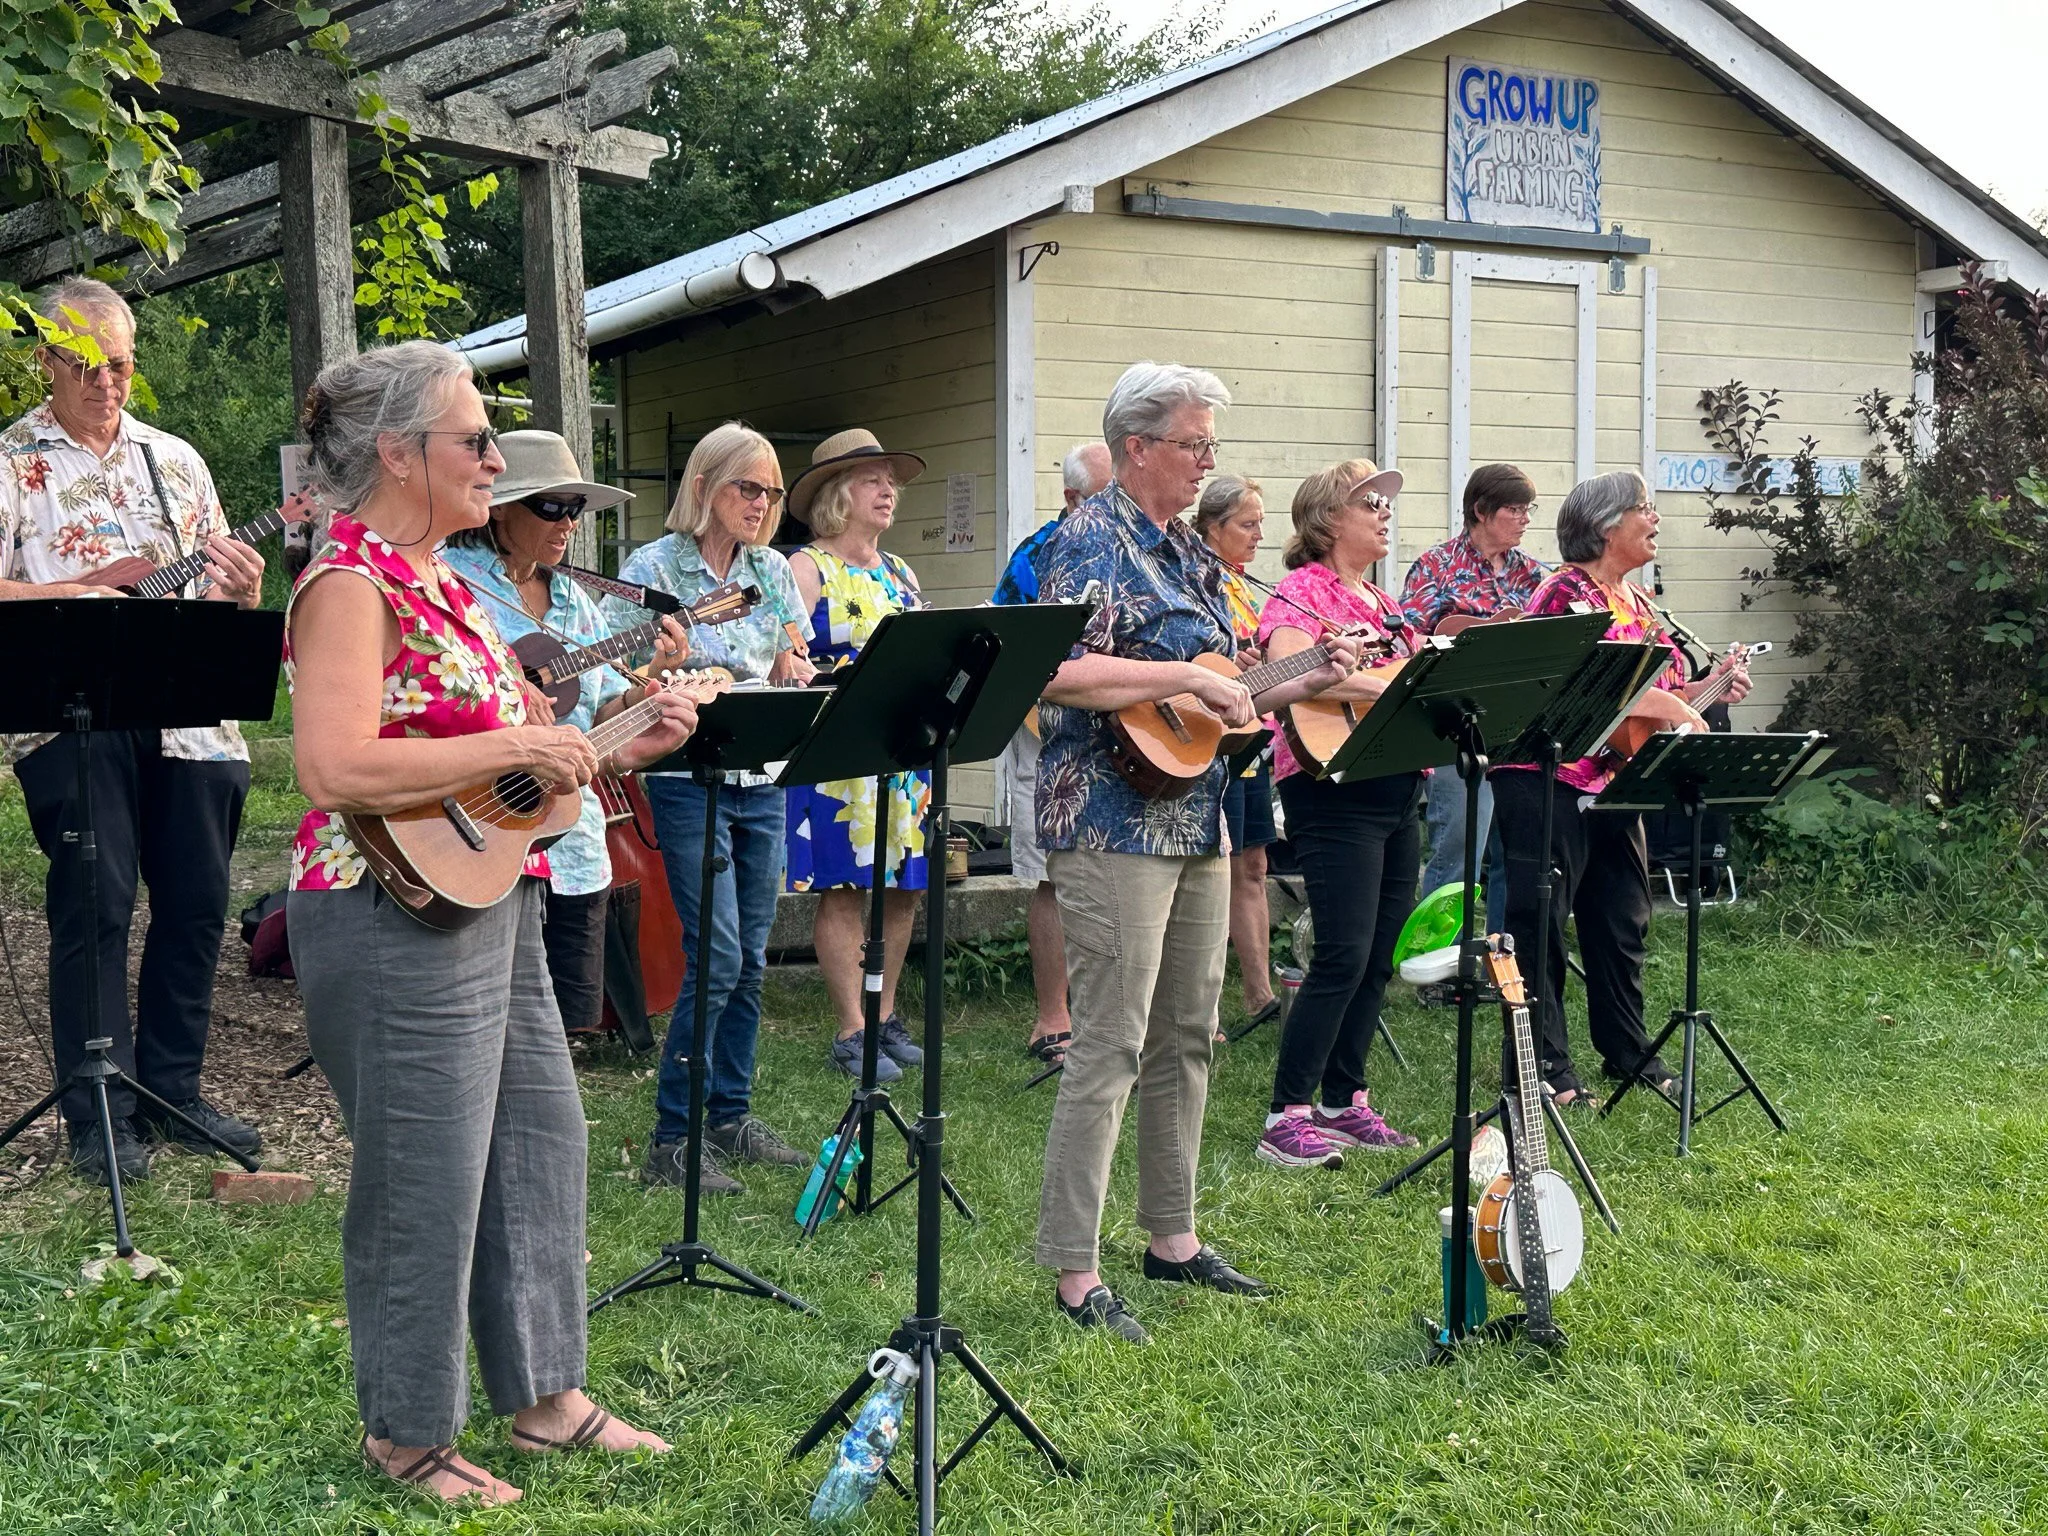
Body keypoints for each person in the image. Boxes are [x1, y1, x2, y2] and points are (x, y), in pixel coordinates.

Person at [286, 341, 695, 1504]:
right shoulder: (347, 581)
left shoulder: (438, 579)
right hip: (381, 905)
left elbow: (519, 770)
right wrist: (523, 741)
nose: (496, 459)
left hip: (480, 888)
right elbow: (329, 764)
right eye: (476, 440)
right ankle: (406, 1434)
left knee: (536, 1140)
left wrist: (625, 736)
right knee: (425, 1176)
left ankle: (545, 1396)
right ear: (400, 453)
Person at [1032, 363, 1357, 1343]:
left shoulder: (1186, 553)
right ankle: (1073, 1269)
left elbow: (1213, 699)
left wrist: (1301, 671)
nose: (1207, 461)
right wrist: (1184, 671)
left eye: (1210, 445)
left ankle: (1168, 1237)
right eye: (1193, 444)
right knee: (1112, 1040)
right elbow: (1056, 672)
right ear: (1138, 446)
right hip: (1107, 820)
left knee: (1186, 1032)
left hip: (1197, 808)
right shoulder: (1089, 537)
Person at [0, 277, 266, 1186]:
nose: (106, 383)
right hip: (73, 715)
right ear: (46, 361)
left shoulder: (176, 460)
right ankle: (97, 1109)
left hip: (191, 718)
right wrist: (80, 590)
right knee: (97, 903)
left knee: (195, 905)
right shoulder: (11, 459)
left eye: (119, 365)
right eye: (84, 366)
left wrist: (240, 593)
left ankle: (172, 1091)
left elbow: (224, 592)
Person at [1490, 470, 1751, 1108]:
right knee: (1540, 924)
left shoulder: (1637, 602)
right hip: (1543, 776)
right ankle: (1542, 1067)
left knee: (1621, 918)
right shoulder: (1564, 594)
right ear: (1608, 525)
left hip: (1612, 777)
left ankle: (1627, 1051)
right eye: (1644, 509)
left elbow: (1652, 707)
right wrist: (1677, 704)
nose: (1655, 519)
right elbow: (1596, 688)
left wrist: (1709, 690)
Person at [601, 422, 816, 1194]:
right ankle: (673, 1138)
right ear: (703, 488)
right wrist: (670, 672)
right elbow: (620, 672)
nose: (762, 504)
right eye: (746, 488)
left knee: (750, 958)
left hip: (763, 774)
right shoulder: (652, 568)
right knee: (716, 953)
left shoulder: (772, 570)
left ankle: (729, 1114)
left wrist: (795, 660)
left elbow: (794, 652)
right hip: (688, 774)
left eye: (771, 492)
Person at [440, 431, 691, 1036]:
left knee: (557, 1030)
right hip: (478, 828)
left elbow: (603, 712)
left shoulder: (576, 598)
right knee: (482, 1022)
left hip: (572, 840)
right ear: (500, 507)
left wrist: (645, 698)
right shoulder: (449, 580)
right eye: (552, 506)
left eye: (576, 508)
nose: (569, 523)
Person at [1252, 460, 1424, 1169]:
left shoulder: (1384, 607)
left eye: (1386, 503)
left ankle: (1343, 1100)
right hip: (1331, 786)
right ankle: (1285, 1112)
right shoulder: (1301, 592)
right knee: (1341, 953)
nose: (1385, 512)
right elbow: (1291, 674)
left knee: (1379, 954)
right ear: (1327, 518)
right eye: (1369, 502)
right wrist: (1389, 683)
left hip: (1393, 786)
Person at [782, 429, 932, 1082]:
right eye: (873, 479)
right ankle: (851, 1028)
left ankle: (886, 1015)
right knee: (844, 888)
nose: (888, 489)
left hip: (902, 751)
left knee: (903, 889)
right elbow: (782, 663)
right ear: (839, 494)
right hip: (838, 748)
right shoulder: (806, 568)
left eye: (890, 480)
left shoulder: (901, 572)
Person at [993, 441, 1112, 1067]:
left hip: (1114, 738)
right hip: (1045, 732)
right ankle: (1051, 1019)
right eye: (1104, 494)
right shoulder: (1039, 555)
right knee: (1051, 875)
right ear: (1072, 500)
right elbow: (1010, 649)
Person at [1400, 464, 1548, 931]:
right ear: (1481, 511)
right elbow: (1407, 643)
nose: (1525, 518)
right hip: (1454, 727)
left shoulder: (1535, 576)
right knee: (1457, 850)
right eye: (1514, 509)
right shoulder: (1435, 567)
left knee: (1516, 852)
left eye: (1529, 509)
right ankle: (1438, 964)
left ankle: (1503, 961)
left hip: (1518, 728)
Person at [1190, 473, 1278, 1040]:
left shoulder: (1248, 584)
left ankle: (1260, 991)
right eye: (1247, 525)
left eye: (1261, 525)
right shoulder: (1198, 581)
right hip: (1203, 738)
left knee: (1253, 863)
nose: (1258, 536)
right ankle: (1204, 1003)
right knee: (1212, 866)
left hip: (1251, 735)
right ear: (1211, 527)